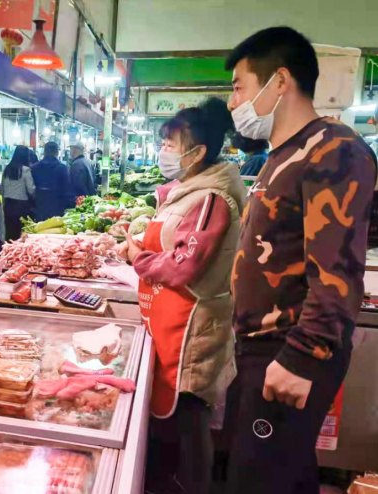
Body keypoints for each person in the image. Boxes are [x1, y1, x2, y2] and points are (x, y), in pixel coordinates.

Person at [225, 27, 377, 494]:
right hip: (261, 346)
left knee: (260, 481)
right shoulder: (282, 154)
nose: (233, 103)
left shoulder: (333, 149)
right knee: (279, 474)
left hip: (288, 348)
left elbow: (338, 269)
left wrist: (301, 356)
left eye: (238, 87)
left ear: (280, 81)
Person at [119, 97, 244, 494]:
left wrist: (140, 257)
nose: (164, 151)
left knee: (188, 423)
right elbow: (174, 244)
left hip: (192, 329)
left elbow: (185, 264)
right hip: (170, 321)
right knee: (170, 423)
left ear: (199, 151)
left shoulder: (212, 198)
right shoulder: (189, 190)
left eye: (171, 144)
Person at [31, 141, 72, 221]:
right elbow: (67, 189)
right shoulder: (62, 168)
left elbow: (31, 189)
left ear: (44, 152)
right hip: (57, 208)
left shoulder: (34, 168)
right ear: (57, 152)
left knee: (39, 231)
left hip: (39, 208)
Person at [2, 145, 36, 241]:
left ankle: (8, 251)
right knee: (21, 234)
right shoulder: (25, 170)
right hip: (21, 206)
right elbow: (31, 189)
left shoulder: (7, 168)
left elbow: (3, 187)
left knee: (9, 232)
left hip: (8, 204)